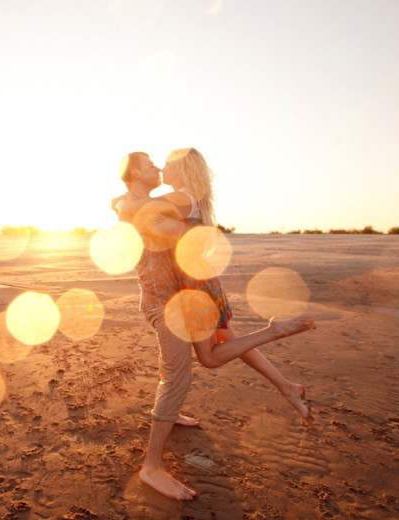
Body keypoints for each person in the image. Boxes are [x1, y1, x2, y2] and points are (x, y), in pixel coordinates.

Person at [114, 149, 316, 501]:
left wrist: (122, 203)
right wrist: (123, 202)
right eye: (151, 165)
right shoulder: (176, 199)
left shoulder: (178, 200)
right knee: (192, 364)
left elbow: (150, 218)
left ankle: (153, 462)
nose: (160, 166)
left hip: (186, 294)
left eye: (165, 162)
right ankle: (285, 381)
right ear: (134, 173)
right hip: (175, 295)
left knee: (190, 367)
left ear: (183, 169)